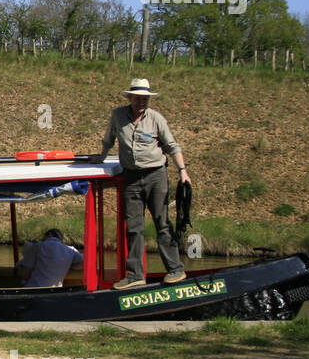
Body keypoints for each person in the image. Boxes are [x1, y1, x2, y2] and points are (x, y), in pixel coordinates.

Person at [93, 78, 191, 290]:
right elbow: (109, 139)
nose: (141, 102)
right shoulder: (118, 115)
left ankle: (175, 270)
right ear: (129, 98)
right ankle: (135, 275)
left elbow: (172, 145)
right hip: (131, 178)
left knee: (162, 223)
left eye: (145, 99)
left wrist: (182, 171)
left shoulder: (156, 119)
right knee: (134, 228)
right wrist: (101, 158)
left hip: (156, 176)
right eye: (137, 98)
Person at [17, 229, 83, 288]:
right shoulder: (71, 250)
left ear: (49, 234)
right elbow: (85, 263)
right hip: (55, 292)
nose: (42, 239)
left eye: (43, 237)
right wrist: (68, 265)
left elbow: (25, 274)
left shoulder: (38, 246)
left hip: (33, 289)